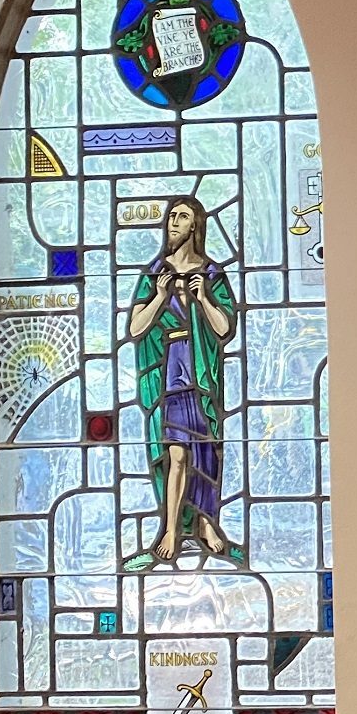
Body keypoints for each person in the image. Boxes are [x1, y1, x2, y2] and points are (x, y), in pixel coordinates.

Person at [122, 195, 242, 570]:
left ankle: (206, 523)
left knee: (206, 450)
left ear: (196, 226)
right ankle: (171, 529)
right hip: (171, 371)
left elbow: (224, 328)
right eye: (171, 216)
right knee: (176, 453)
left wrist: (203, 297)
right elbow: (136, 327)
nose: (173, 222)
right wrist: (160, 296)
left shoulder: (210, 273)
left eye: (181, 217)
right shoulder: (155, 272)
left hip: (203, 371)